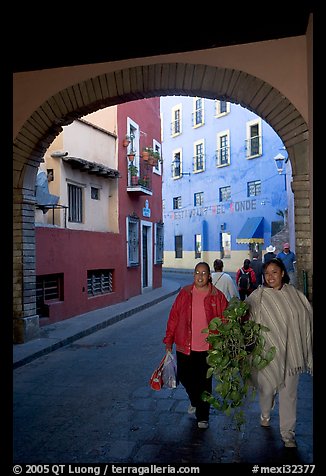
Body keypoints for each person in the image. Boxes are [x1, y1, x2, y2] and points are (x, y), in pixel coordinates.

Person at [246, 258, 313, 448]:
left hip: (292, 353)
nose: (270, 276)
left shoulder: (294, 294)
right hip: (267, 353)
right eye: (267, 273)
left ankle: (287, 433)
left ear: (282, 273)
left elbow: (306, 315)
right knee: (266, 390)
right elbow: (245, 314)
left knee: (289, 393)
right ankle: (265, 413)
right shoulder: (258, 296)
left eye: (274, 272)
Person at [163, 261, 228, 429]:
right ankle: (195, 400)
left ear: (209, 276)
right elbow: (174, 318)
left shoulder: (217, 296)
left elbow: (225, 319)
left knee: (205, 382)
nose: (200, 276)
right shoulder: (185, 293)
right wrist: (169, 340)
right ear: (193, 275)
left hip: (208, 348)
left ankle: (203, 416)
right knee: (184, 376)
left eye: (204, 273)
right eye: (197, 273)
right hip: (185, 345)